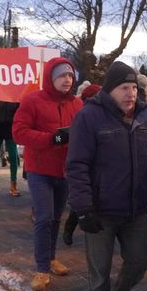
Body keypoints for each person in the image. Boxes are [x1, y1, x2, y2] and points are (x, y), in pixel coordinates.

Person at [66, 61, 147, 291]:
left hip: (134, 209)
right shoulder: (90, 117)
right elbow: (77, 166)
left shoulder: (145, 116)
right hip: (101, 212)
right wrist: (83, 209)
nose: (131, 93)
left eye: (134, 88)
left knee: (138, 261)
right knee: (99, 272)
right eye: (124, 88)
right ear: (110, 90)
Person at [12, 57, 83, 291]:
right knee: (43, 218)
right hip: (40, 170)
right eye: (62, 75)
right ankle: (41, 269)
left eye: (70, 76)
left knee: (55, 218)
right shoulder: (33, 100)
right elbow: (19, 132)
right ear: (51, 77)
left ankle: (51, 258)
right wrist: (51, 139)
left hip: (64, 171)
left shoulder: (77, 104)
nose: (67, 79)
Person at [60, 82, 102, 246]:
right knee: (81, 201)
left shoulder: (109, 115)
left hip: (99, 168)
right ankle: (69, 228)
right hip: (82, 168)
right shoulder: (82, 116)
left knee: (90, 200)